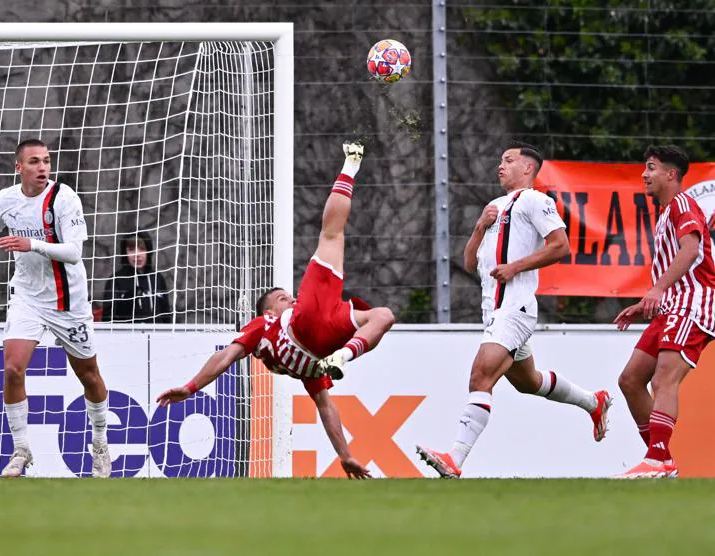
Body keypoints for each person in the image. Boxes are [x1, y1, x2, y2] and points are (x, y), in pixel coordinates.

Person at [156, 141, 395, 479]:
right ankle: (349, 168)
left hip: (325, 346)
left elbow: (326, 408)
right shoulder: (264, 326)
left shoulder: (307, 369)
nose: (290, 298)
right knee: (331, 234)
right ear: (268, 312)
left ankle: (346, 354)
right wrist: (192, 386)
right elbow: (225, 356)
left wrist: (346, 456)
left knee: (383, 315)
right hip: (304, 328)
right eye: (282, 298)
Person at [416, 141, 611, 479]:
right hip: (493, 310)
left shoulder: (536, 200)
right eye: (500, 160)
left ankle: (455, 459)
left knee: (480, 375)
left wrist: (516, 267)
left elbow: (560, 246)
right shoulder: (493, 206)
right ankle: (594, 402)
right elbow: (468, 261)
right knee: (529, 382)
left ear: (528, 169)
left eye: (508, 160)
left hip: (515, 308)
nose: (500, 166)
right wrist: (479, 226)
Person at [0, 139, 111, 478]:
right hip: (27, 296)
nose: (43, 168)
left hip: (68, 300)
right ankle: (21, 449)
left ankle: (100, 444)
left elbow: (74, 252)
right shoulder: (4, 202)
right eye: (35, 162)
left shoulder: (64, 199)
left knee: (89, 375)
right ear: (19, 168)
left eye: (47, 161)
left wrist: (31, 244)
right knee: (11, 369)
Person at [614, 145, 715, 479]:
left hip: (694, 302)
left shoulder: (683, 205)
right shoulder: (665, 214)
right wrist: (647, 301)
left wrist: (657, 289)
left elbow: (691, 249)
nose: (645, 174)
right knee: (630, 380)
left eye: (651, 167)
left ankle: (657, 460)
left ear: (671, 174)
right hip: (670, 306)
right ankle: (661, 459)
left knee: (663, 379)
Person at [103, 231, 172, 323]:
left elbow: (166, 316)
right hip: (126, 336)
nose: (137, 255)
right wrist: (129, 297)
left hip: (156, 335)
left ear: (149, 251)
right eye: (131, 250)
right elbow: (107, 319)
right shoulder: (116, 280)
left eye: (142, 249)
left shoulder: (157, 278)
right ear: (125, 252)